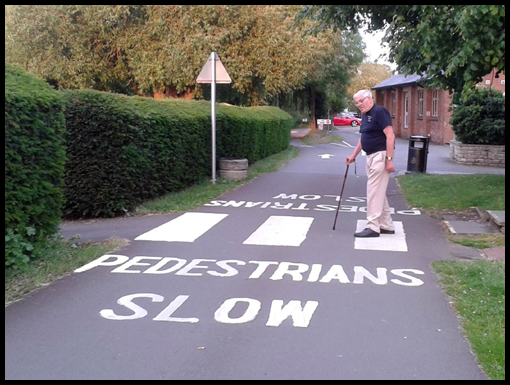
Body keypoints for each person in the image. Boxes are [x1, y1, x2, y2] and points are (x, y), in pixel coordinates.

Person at [346, 90, 396, 238]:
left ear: (369, 98)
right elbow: (364, 136)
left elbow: (390, 135)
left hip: (380, 156)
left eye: (361, 101)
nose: (359, 104)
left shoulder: (380, 112)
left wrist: (389, 160)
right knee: (378, 191)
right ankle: (386, 224)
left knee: (373, 192)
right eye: (356, 102)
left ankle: (373, 227)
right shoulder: (365, 115)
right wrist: (353, 155)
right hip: (370, 157)